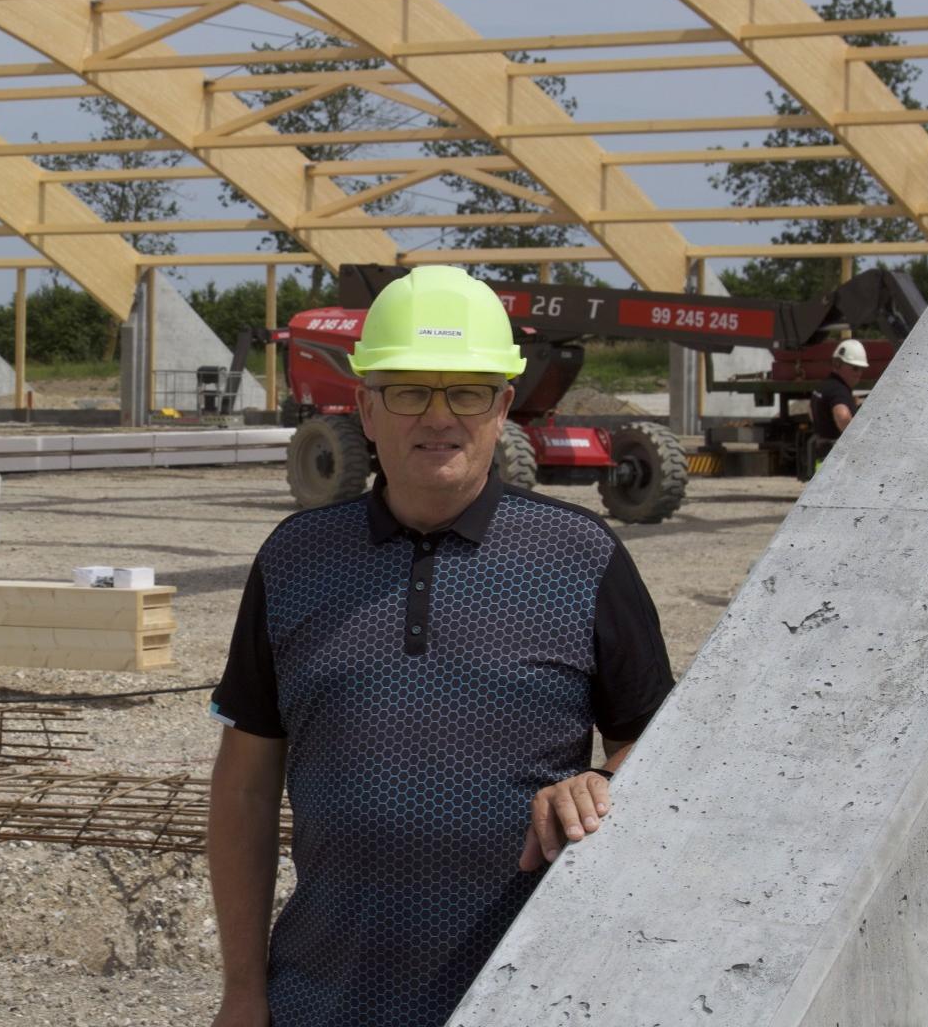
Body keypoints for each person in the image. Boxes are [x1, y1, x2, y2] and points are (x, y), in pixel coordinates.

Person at [205, 266, 675, 1027]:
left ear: (502, 406)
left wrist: (600, 781)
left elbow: (666, 754)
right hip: (323, 999)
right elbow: (246, 787)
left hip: (524, 998)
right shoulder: (295, 560)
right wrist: (242, 991)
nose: (439, 416)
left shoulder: (581, 557)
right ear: (363, 405)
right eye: (409, 390)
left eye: (466, 391)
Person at [809, 338, 868, 442]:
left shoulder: (823, 386)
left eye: (862, 369)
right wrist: (858, 442)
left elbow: (810, 411)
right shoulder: (839, 390)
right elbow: (843, 416)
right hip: (834, 453)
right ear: (838, 364)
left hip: (821, 451)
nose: (859, 373)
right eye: (855, 368)